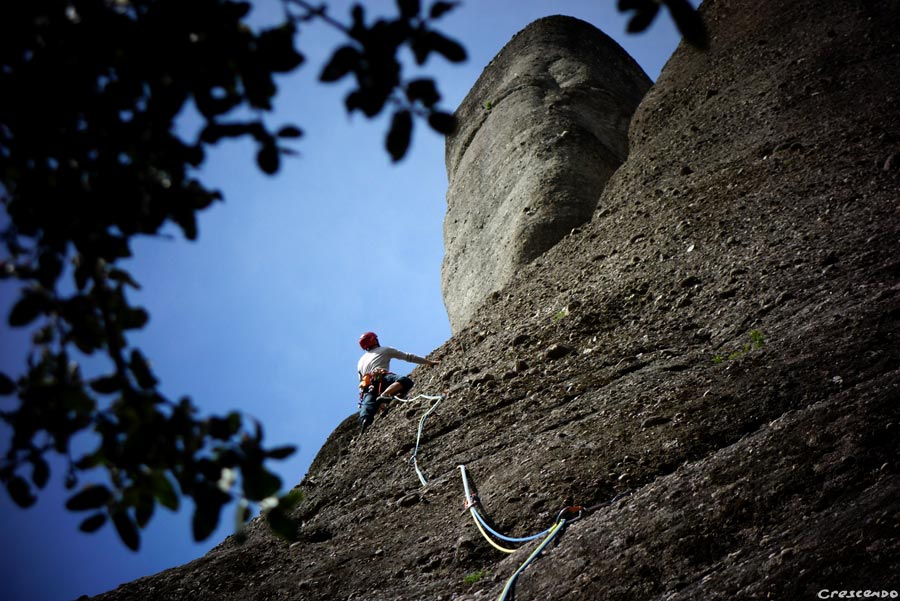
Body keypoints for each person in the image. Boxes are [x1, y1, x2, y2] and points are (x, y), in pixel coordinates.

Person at [357, 331, 438, 434]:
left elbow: (361, 382)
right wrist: (429, 362)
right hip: (381, 377)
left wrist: (364, 400)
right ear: (374, 340)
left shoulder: (360, 362)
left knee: (367, 412)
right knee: (405, 381)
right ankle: (385, 395)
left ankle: (364, 425)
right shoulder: (384, 350)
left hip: (367, 388)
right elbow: (408, 357)